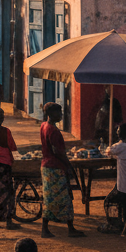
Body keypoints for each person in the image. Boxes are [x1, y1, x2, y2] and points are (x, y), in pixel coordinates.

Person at [40, 101, 85, 239]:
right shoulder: (53, 130)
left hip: (47, 166)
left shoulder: (44, 126)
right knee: (65, 198)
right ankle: (70, 229)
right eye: (58, 112)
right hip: (55, 167)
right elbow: (58, 152)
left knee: (50, 199)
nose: (60, 115)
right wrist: (68, 165)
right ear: (50, 114)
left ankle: (46, 228)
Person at [107, 122, 126, 236]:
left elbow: (109, 151)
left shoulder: (121, 147)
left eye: (118, 132)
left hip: (125, 185)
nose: (117, 134)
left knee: (125, 206)